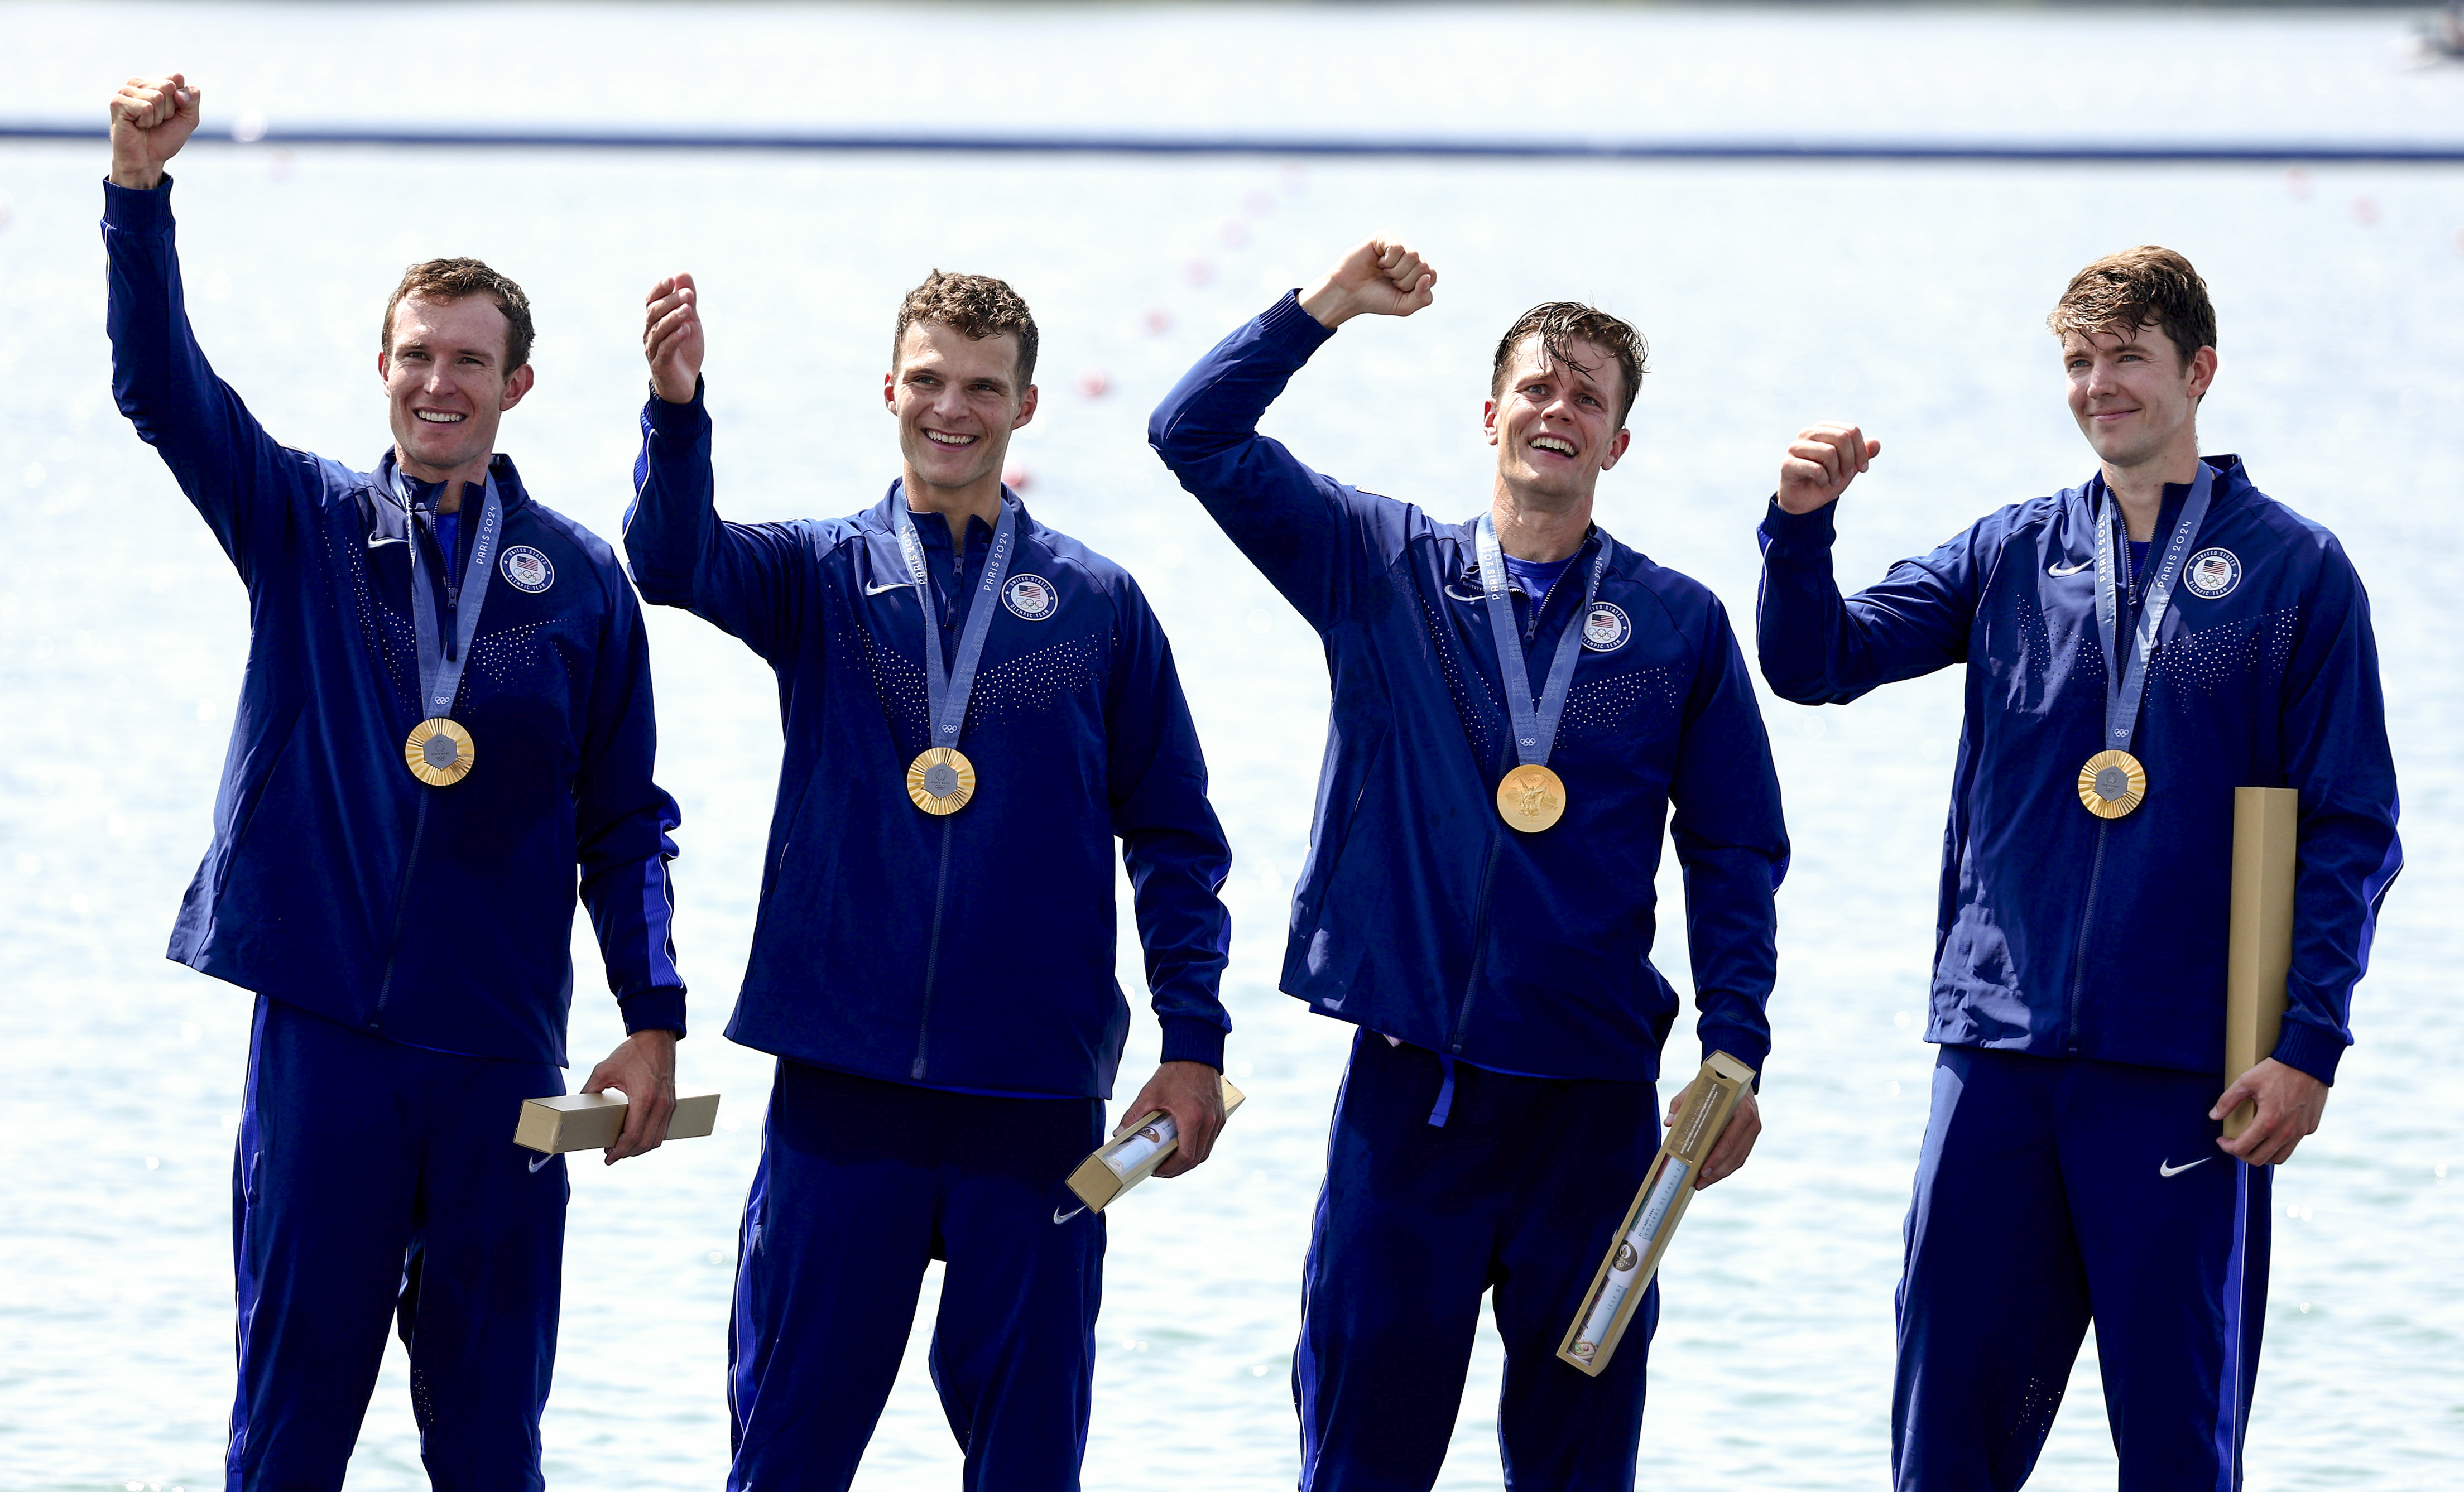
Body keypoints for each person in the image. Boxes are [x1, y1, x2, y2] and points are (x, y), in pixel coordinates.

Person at [100, 74, 688, 1490]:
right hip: (329, 1049)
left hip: (497, 1061)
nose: (440, 383)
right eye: (418, 355)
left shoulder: (582, 588)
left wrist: (654, 1019)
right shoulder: (303, 523)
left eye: (470, 361)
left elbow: (628, 825)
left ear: (518, 386)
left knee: (491, 1445)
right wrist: (136, 192)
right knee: (290, 1434)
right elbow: (157, 384)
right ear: (382, 368)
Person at [1756, 246, 2401, 1490]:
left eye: (2129, 360)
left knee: (2174, 1451)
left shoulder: (2295, 572)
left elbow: (2354, 830)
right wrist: (1799, 529)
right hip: (1995, 1056)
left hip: (2184, 1074)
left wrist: (2309, 1044)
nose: (2101, 385)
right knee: (1946, 1446)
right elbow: (1818, 660)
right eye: (2079, 363)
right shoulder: (2010, 552)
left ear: (2199, 371)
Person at [1149, 239, 1787, 1490]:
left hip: (1596, 1116)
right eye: (1539, 387)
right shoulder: (1376, 566)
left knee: (1575, 1467)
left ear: (1616, 445)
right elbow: (1194, 433)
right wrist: (1323, 309)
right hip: (1411, 1105)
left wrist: (1735, 1044)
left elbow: (1734, 850)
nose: (1559, 410)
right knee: (1362, 1465)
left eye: (1589, 398)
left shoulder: (1677, 625)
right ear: (1491, 414)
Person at [624, 267, 1234, 1490]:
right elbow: (673, 560)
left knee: (1027, 1462)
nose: (952, 408)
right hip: (843, 1092)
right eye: (930, 381)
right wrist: (676, 411)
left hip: (1035, 1096)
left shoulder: (1100, 607)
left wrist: (1195, 1039)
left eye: (982, 388)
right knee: (788, 1452)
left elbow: (1175, 839)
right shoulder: (818, 577)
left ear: (1027, 406)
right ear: (889, 389)